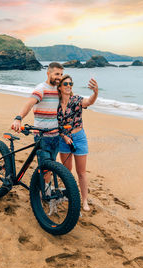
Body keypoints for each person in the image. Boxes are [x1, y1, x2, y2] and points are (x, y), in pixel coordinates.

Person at [57, 74, 98, 212]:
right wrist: (63, 136)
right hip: (64, 140)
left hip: (79, 138)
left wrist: (95, 92)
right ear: (60, 87)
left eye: (70, 84)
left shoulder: (76, 99)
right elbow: (57, 125)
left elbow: (89, 102)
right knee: (67, 171)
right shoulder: (55, 103)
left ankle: (84, 200)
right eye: (66, 84)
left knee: (81, 172)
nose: (69, 86)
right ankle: (69, 193)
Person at [12, 62, 64, 165]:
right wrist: (18, 118)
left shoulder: (59, 90)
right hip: (42, 136)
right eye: (57, 74)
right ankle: (43, 181)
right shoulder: (41, 88)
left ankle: (46, 182)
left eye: (61, 74)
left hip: (56, 135)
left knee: (52, 165)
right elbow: (29, 103)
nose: (60, 77)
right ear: (48, 73)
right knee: (44, 166)